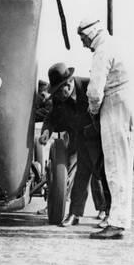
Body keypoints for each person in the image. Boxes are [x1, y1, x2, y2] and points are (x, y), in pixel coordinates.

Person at [77, 18, 134, 240]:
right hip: (127, 103)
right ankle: (119, 219)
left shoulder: (102, 50)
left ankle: (117, 223)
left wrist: (93, 111)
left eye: (83, 38)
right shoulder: (114, 44)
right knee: (122, 167)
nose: (83, 43)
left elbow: (94, 91)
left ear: (90, 33)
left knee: (115, 168)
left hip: (115, 105)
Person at [39, 62, 111, 226]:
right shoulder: (60, 97)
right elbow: (51, 116)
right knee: (81, 176)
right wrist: (46, 131)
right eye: (55, 91)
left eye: (60, 90)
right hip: (79, 139)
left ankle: (108, 213)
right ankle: (74, 214)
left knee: (103, 175)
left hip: (99, 138)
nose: (58, 95)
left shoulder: (90, 86)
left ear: (70, 83)